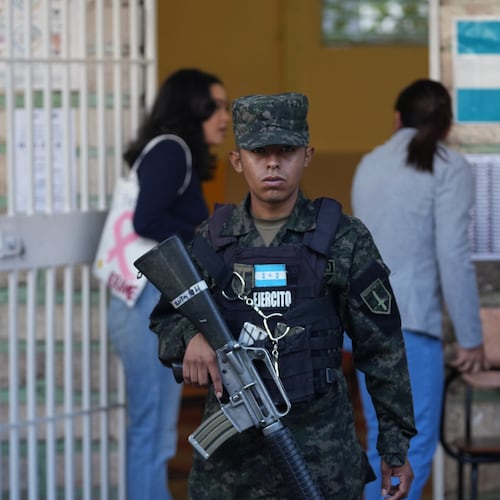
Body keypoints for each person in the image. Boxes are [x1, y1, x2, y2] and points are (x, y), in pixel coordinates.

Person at [149, 92, 417, 499]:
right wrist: (192, 338)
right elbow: (165, 319)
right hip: (231, 469)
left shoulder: (344, 238)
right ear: (238, 161)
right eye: (259, 152)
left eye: (286, 150)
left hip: (320, 456)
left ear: (307, 155)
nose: (273, 163)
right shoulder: (210, 239)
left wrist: (394, 446)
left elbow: (382, 348)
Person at [350, 78, 489, 500]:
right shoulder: (448, 166)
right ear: (447, 126)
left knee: (383, 446)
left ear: (397, 119)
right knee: (413, 449)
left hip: (362, 325)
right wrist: (471, 337)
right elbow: (453, 257)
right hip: (411, 329)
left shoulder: (370, 163)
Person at [107, 68, 229, 500]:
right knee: (153, 429)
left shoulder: (174, 154)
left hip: (142, 302)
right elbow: (147, 220)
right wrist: (206, 233)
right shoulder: (172, 151)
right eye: (215, 106)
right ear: (191, 108)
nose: (225, 117)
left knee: (155, 429)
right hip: (144, 303)